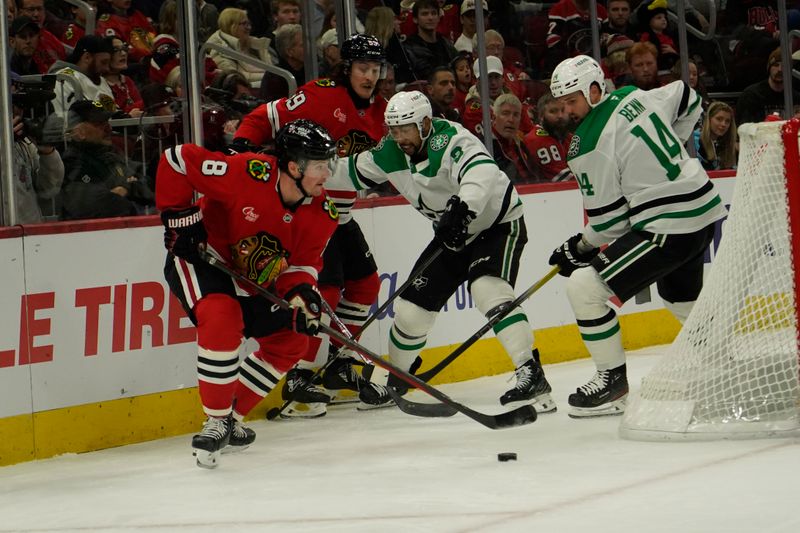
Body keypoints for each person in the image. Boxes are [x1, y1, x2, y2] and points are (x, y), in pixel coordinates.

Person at [328, 90, 556, 412]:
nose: (399, 137)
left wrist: (463, 208)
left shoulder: (450, 139)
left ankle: (530, 372)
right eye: (393, 129)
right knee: (410, 312)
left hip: (497, 225)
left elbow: (482, 171)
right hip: (452, 235)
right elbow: (348, 171)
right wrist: (304, 169)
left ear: (424, 124)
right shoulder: (391, 151)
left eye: (405, 128)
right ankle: (398, 377)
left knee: (488, 289)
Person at [547, 55, 728, 417]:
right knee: (679, 296)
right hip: (703, 212)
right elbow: (687, 96)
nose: (567, 111)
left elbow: (611, 222)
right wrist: (674, 144)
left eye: (572, 101)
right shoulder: (633, 96)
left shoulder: (586, 143)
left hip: (668, 225)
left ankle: (611, 384)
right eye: (561, 104)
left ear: (595, 90)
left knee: (584, 288)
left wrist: (579, 247)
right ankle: (722, 365)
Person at [156, 119, 339, 468]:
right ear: (292, 166)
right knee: (222, 318)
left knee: (291, 341)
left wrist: (303, 297)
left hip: (252, 277)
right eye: (319, 165)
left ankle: (230, 419)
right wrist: (182, 219)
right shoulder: (246, 173)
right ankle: (214, 421)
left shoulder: (322, 213)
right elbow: (176, 160)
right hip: (204, 260)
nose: (326, 174)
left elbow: (300, 267)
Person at [234, 34, 388, 417]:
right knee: (327, 290)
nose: (369, 76)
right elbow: (263, 118)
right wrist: (240, 152)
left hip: (342, 212)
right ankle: (300, 376)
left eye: (375, 69)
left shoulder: (382, 110)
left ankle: (335, 364)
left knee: (366, 282)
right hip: (309, 210)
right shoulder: (320, 95)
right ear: (346, 68)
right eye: (362, 69)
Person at [60, 100, 153, 220]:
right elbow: (95, 206)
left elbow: (147, 183)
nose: (108, 128)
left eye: (107, 122)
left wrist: (125, 188)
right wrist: (128, 188)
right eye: (99, 124)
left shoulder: (111, 153)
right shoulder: (71, 161)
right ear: (79, 132)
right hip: (86, 235)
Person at [48, 35, 116, 117]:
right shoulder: (64, 79)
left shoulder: (101, 80)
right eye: (103, 62)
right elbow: (70, 120)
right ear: (87, 57)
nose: (107, 68)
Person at [206, 7, 273, 89]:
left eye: (249, 24)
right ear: (231, 26)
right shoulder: (219, 51)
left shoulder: (256, 45)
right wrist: (270, 78)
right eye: (244, 24)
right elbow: (235, 80)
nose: (249, 28)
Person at [736, 48, 800, 125]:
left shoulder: (795, 98)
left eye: (784, 65)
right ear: (769, 68)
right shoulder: (752, 95)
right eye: (776, 65)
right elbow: (744, 127)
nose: (780, 69)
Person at [523, 92, 574, 182]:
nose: (560, 116)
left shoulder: (566, 136)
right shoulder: (537, 140)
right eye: (553, 111)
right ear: (541, 116)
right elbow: (564, 179)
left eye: (563, 110)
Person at [491, 93, 535, 183]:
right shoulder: (487, 147)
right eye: (505, 114)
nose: (511, 119)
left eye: (516, 115)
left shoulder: (521, 145)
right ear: (494, 118)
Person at [693, 101, 737, 171]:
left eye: (727, 121)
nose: (723, 124)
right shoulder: (695, 142)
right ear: (708, 119)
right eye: (719, 119)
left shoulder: (726, 144)